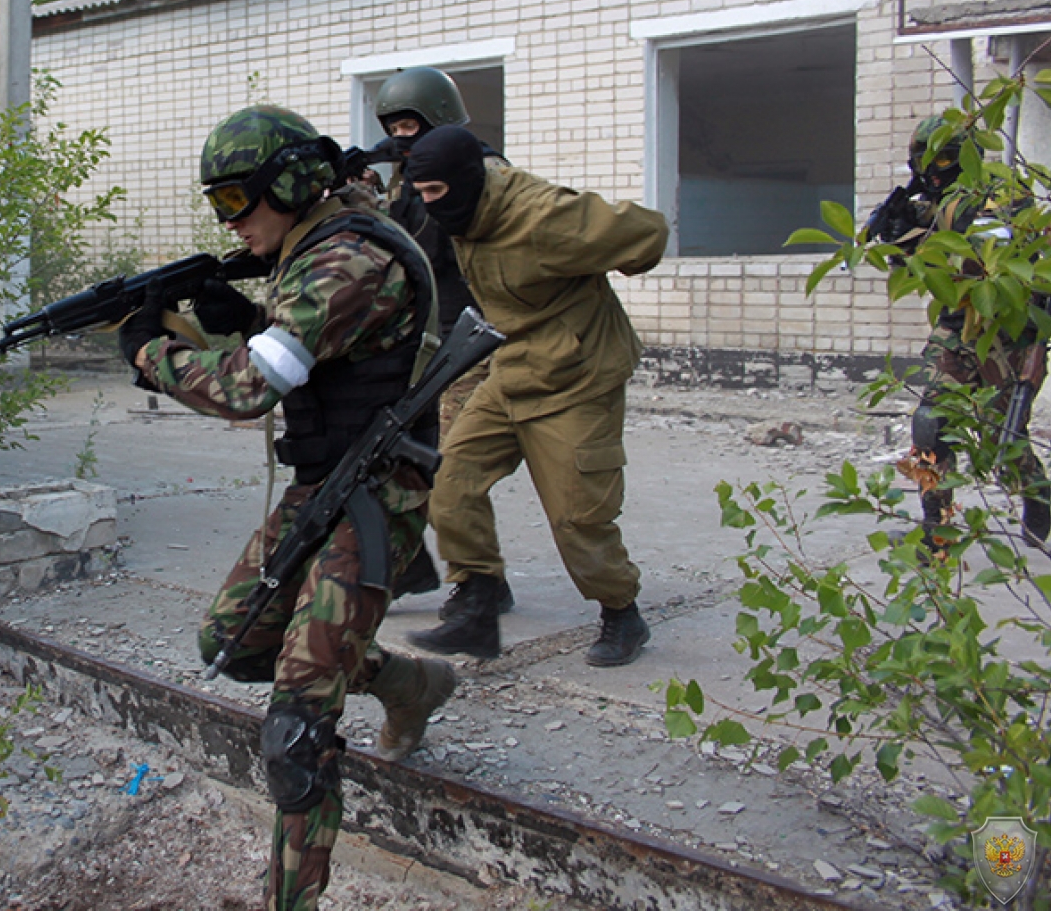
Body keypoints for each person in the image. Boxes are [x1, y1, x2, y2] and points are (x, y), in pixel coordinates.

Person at [122, 106, 456, 911]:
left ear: (295, 184)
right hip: (324, 482)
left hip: (377, 494)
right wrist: (245, 321)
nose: (229, 224)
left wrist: (149, 349)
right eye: (218, 207)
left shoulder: (347, 259)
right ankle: (404, 681)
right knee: (231, 644)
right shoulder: (319, 244)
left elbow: (245, 389)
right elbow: (298, 351)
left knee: (296, 732)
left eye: (238, 201)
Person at [403, 126, 668, 666]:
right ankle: (479, 597)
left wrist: (617, 260)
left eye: (434, 192)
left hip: (580, 373)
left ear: (463, 182)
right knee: (448, 477)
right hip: (514, 366)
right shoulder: (463, 207)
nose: (427, 204)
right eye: (421, 191)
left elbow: (649, 232)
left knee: (578, 518)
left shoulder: (544, 216)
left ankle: (623, 613)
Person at [865, 116, 1050, 547]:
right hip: (953, 328)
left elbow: (986, 262)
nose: (933, 170)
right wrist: (899, 240)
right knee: (930, 424)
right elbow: (920, 276)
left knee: (1000, 437)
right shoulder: (928, 201)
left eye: (944, 159)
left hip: (1003, 333)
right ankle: (937, 530)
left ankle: (1038, 497)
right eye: (924, 160)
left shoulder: (1001, 193)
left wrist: (923, 239)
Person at [371, 67, 514, 618]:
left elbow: (449, 238)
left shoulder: (482, 170)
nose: (403, 137)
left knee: (450, 467)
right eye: (395, 127)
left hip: (472, 338)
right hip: (421, 340)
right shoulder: (404, 176)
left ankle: (481, 582)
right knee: (393, 455)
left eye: (413, 124)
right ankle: (411, 567)